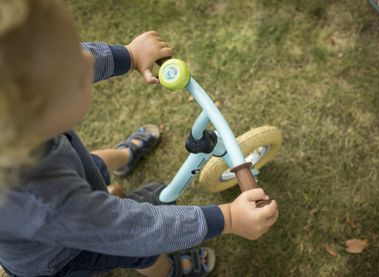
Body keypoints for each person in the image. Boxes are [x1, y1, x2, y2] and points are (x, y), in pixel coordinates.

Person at [0, 0, 278, 276]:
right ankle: (168, 271)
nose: (84, 63)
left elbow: (64, 63)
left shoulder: (20, 125)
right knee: (139, 249)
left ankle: (123, 157)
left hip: (67, 170)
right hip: (61, 253)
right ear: (39, 113)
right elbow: (129, 229)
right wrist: (227, 218)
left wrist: (129, 56)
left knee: (91, 163)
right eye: (77, 78)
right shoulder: (45, 202)